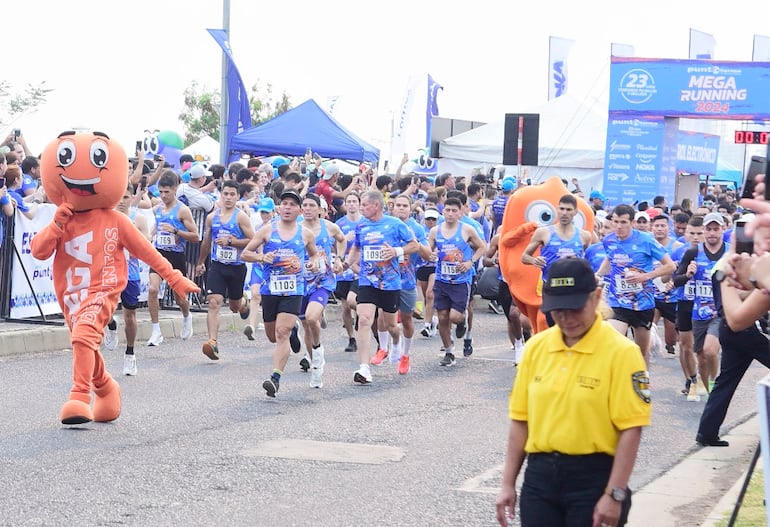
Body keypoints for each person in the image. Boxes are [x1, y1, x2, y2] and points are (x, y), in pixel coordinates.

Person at [496, 258, 651, 527]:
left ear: (596, 296)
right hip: (540, 478)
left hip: (594, 479)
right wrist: (508, 484)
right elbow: (521, 420)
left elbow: (631, 428)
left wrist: (615, 494)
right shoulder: (537, 347)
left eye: (575, 308)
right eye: (558, 310)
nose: (566, 318)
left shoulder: (622, 352)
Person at [241, 190, 319, 397]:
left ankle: (275, 378)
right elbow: (245, 253)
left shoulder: (305, 234)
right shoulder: (267, 230)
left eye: (292, 204)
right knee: (272, 336)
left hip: (294, 290)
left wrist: (313, 264)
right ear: (279, 207)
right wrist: (261, 258)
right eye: (284, 203)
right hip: (270, 290)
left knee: (281, 333)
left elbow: (315, 255)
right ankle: (294, 329)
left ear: (300, 210)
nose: (287, 207)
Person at [695, 243, 770, 447]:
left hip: (733, 331)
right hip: (741, 330)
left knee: (725, 382)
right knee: (725, 382)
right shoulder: (727, 268)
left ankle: (706, 433)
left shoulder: (731, 264)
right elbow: (732, 308)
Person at [341, 189, 418, 384]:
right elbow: (357, 248)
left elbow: (414, 245)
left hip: (390, 282)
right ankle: (364, 368)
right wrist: (346, 264)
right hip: (367, 280)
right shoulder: (361, 226)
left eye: (364, 205)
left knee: (391, 325)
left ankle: (396, 341)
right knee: (365, 319)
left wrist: (396, 251)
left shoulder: (395, 224)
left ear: (376, 205)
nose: (361, 208)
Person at [596, 204, 676, 367]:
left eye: (623, 222)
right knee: (614, 344)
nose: (619, 226)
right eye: (616, 222)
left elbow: (670, 266)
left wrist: (645, 277)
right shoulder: (608, 240)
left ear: (632, 223)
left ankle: (643, 383)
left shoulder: (646, 240)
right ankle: (619, 381)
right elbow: (610, 260)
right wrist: (598, 274)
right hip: (617, 301)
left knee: (641, 352)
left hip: (643, 303)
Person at [195, 180, 255, 360]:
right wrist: (200, 262)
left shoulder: (240, 217)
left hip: (236, 268)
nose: (228, 198)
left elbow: (253, 240)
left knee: (235, 306)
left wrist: (232, 242)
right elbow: (206, 241)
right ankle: (212, 342)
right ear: (221, 195)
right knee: (214, 302)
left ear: (237, 197)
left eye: (232, 195)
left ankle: (243, 303)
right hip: (218, 266)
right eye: (225, 194)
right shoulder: (212, 217)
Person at [671, 212, 726, 394]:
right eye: (708, 229)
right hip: (698, 311)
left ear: (722, 230)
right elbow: (675, 280)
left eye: (715, 229)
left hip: (720, 312)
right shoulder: (693, 253)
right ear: (704, 230)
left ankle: (715, 383)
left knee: (710, 351)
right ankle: (709, 387)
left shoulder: (729, 252)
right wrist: (687, 275)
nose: (712, 233)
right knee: (701, 355)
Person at [428, 197, 486, 366]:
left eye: (454, 210)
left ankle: (462, 323)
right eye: (447, 210)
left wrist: (470, 262)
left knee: (455, 316)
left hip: (461, 280)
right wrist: (430, 254)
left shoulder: (467, 230)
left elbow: (482, 247)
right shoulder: (435, 231)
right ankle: (449, 351)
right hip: (441, 279)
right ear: (443, 211)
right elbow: (427, 249)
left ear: (460, 212)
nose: (451, 214)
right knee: (442, 317)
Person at [296, 193, 346, 388]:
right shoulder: (295, 228)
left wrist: (339, 259)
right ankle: (314, 358)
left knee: (310, 318)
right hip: (301, 282)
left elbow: (342, 240)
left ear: (320, 209)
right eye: (305, 205)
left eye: (311, 205)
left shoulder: (329, 227)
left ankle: (318, 352)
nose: (307, 208)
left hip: (323, 281)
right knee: (306, 324)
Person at [521, 193, 592, 327]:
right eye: (562, 209)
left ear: (576, 212)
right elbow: (524, 257)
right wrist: (534, 260)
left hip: (574, 289)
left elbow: (589, 261)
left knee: (573, 325)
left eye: (569, 210)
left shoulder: (584, 236)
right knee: (552, 325)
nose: (564, 213)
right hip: (552, 288)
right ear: (557, 209)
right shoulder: (544, 232)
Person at [146, 173, 201, 346]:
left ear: (175, 190)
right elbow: (157, 224)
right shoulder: (158, 209)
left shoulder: (182, 210)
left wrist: (176, 232)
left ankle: (186, 316)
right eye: (161, 192)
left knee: (179, 298)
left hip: (176, 257)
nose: (163, 195)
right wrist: (151, 234)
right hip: (159, 254)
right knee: (153, 290)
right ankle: (156, 331)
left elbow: (195, 236)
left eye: (166, 192)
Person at [103, 185, 151, 376]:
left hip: (131, 274)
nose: (122, 201)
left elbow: (147, 243)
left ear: (132, 197)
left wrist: (132, 234)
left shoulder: (138, 218)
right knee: (103, 308)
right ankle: (111, 324)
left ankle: (130, 353)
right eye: (119, 197)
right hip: (109, 273)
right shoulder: (107, 217)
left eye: (126, 197)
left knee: (130, 315)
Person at [335, 192, 364, 353]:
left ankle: (361, 315)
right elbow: (334, 245)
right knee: (345, 307)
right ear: (345, 205)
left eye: (354, 201)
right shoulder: (339, 224)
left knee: (353, 301)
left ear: (359, 204)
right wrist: (344, 238)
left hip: (360, 269)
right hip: (344, 269)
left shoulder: (365, 222)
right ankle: (351, 338)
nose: (352, 204)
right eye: (349, 201)